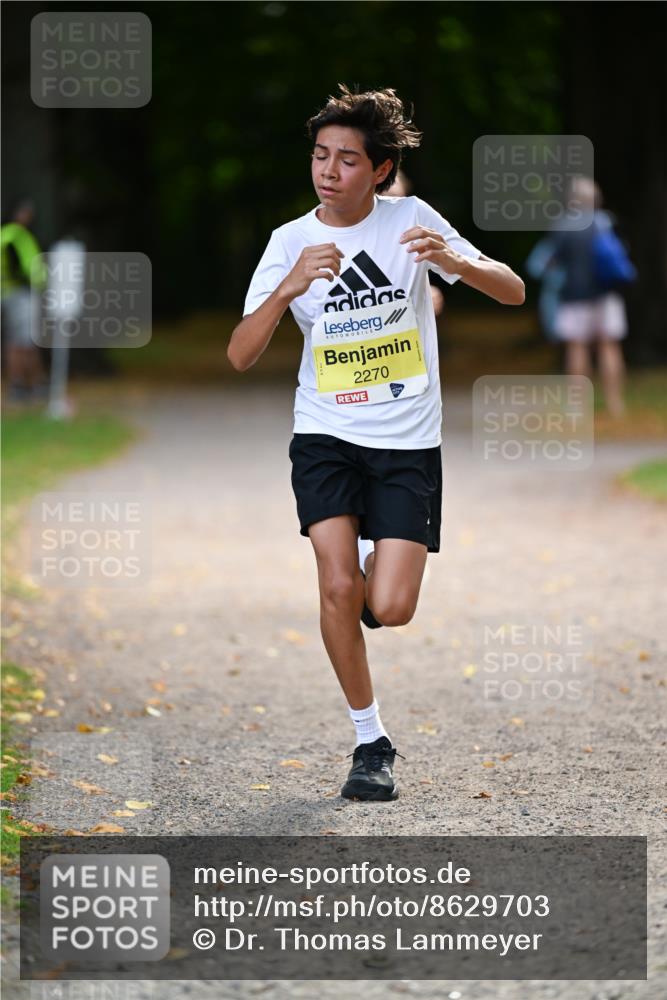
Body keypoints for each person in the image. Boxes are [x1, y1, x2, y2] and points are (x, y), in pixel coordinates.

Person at [228, 85, 524, 802]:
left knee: (388, 606)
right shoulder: (289, 241)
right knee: (336, 585)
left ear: (381, 169)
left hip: (407, 442)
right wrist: (287, 288)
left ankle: (367, 576)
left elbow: (512, 290)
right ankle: (370, 741)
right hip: (325, 433)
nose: (328, 171)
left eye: (347, 159)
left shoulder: (411, 219)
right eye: (319, 156)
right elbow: (239, 353)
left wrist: (457, 260)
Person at [549, 176, 632, 417]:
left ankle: (577, 406)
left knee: (577, 347)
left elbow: (554, 261)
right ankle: (615, 403)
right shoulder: (606, 222)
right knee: (610, 346)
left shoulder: (562, 226)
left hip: (574, 295)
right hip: (606, 293)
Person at [1, 198, 48, 402]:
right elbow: (26, 267)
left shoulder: (6, 234)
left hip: (10, 292)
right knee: (24, 341)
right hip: (20, 293)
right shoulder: (16, 235)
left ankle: (24, 383)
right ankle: (26, 383)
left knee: (18, 340)